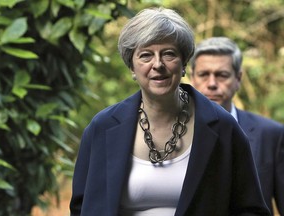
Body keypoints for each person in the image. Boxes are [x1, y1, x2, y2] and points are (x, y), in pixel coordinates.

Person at [70, 8, 270, 215]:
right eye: (146, 55)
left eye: (168, 54)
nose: (158, 64)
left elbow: (251, 209)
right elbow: (80, 207)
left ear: (184, 64)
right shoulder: (102, 127)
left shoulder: (223, 127)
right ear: (132, 67)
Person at [190, 36, 284, 215]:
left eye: (222, 75)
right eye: (203, 74)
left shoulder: (271, 135)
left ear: (238, 78)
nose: (211, 84)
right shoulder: (172, 131)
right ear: (192, 77)